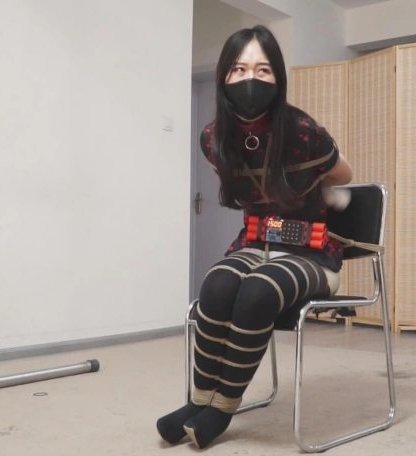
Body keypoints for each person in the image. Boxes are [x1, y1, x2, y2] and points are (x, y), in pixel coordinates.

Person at [156, 24, 354, 449]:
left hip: (312, 253)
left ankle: (222, 408)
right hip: (255, 242)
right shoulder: (214, 138)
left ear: (278, 78)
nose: (251, 79)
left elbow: (345, 174)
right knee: (217, 283)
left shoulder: (302, 130)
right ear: (223, 76)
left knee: (259, 290)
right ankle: (198, 401)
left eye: (263, 70)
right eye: (240, 69)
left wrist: (314, 183)